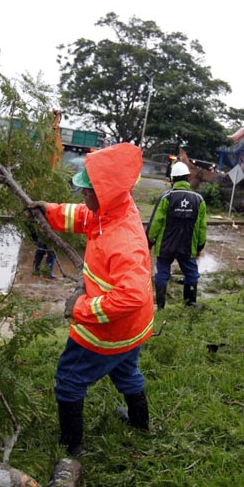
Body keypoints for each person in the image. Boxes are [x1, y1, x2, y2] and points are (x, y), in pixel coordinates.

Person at [27, 142, 155, 456]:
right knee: (126, 371)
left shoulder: (123, 241)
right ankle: (140, 424)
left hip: (110, 328)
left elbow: (132, 295)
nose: (82, 195)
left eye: (87, 191)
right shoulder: (113, 210)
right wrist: (51, 212)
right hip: (132, 329)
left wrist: (81, 308)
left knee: (69, 378)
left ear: (106, 193)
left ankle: (70, 449)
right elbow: (85, 217)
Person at [147, 161, 207, 309]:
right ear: (187, 178)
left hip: (165, 245)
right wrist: (200, 246)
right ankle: (190, 303)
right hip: (187, 246)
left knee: (162, 274)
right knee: (192, 274)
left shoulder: (166, 197)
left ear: (172, 179)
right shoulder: (198, 200)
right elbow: (202, 227)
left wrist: (149, 242)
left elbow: (155, 222)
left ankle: (160, 305)